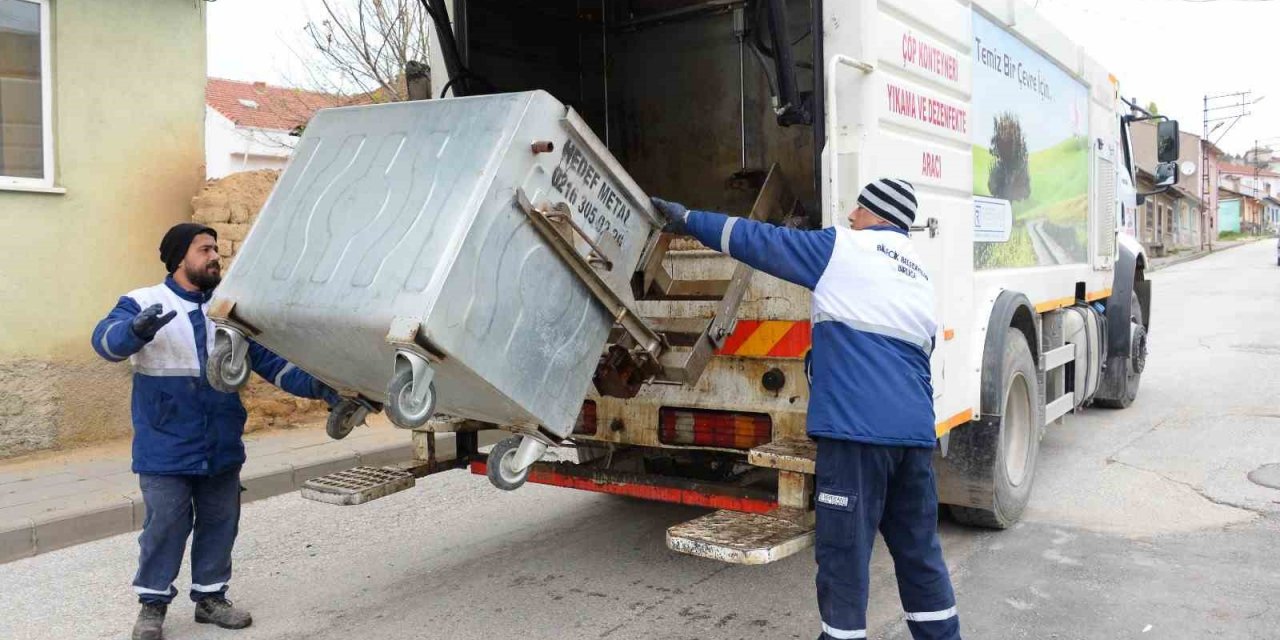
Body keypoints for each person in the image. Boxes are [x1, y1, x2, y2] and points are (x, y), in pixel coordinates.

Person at [651, 179, 960, 640]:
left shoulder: (843, 247)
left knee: (844, 558)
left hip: (857, 437)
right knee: (919, 554)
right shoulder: (920, 272)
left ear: (875, 214)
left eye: (858, 208)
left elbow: (755, 240)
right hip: (914, 439)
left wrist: (686, 219)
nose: (851, 216)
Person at [92, 223, 340, 640]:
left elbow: (273, 365)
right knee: (166, 524)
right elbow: (105, 344)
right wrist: (135, 330)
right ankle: (152, 605)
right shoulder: (142, 301)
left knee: (219, 522)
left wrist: (322, 387)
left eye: (215, 249)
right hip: (165, 445)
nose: (214, 256)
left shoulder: (227, 313)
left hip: (221, 443)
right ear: (179, 257)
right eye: (204, 249)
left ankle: (210, 598)